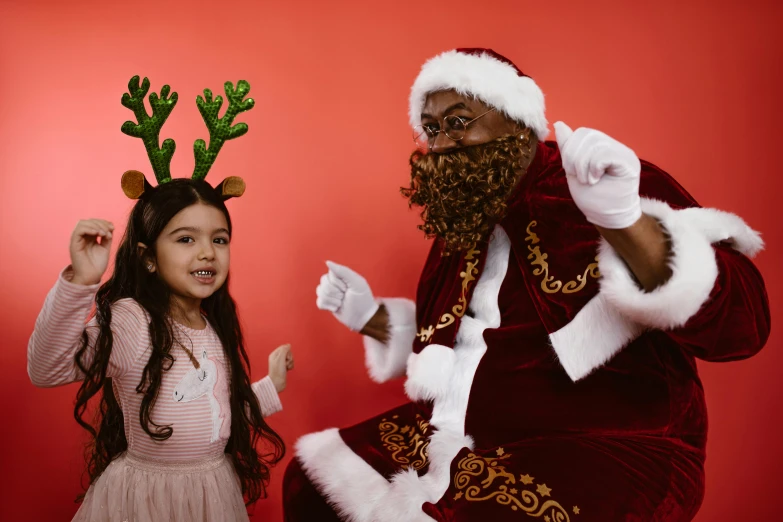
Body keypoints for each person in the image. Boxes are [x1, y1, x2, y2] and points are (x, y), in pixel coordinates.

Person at [283, 48, 770, 521]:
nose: (443, 143)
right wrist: (371, 317)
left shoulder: (598, 182)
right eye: (432, 129)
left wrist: (622, 220)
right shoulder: (462, 221)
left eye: (459, 120)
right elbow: (457, 338)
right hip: (466, 431)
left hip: (603, 442)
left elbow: (743, 327)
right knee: (310, 480)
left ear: (515, 118)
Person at [28, 77, 294, 521]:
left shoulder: (211, 324)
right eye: (186, 239)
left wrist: (271, 385)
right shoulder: (133, 322)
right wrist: (80, 282)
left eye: (219, 239)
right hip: (148, 503)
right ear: (148, 258)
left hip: (211, 495)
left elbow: (216, 406)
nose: (207, 251)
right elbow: (46, 367)